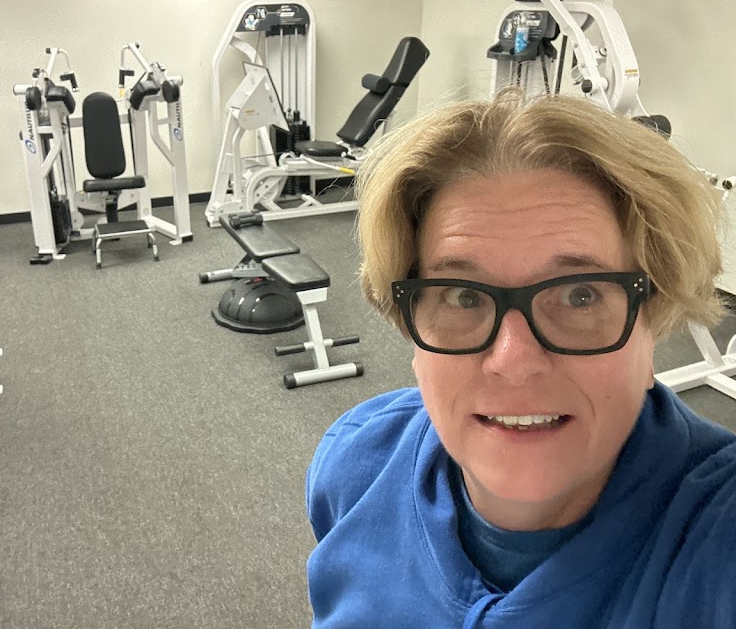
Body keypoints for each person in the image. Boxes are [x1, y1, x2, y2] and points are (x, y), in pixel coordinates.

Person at [305, 88, 736, 628]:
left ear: (654, 322)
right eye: (463, 296)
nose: (513, 360)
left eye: (579, 295)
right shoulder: (356, 463)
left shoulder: (717, 540)